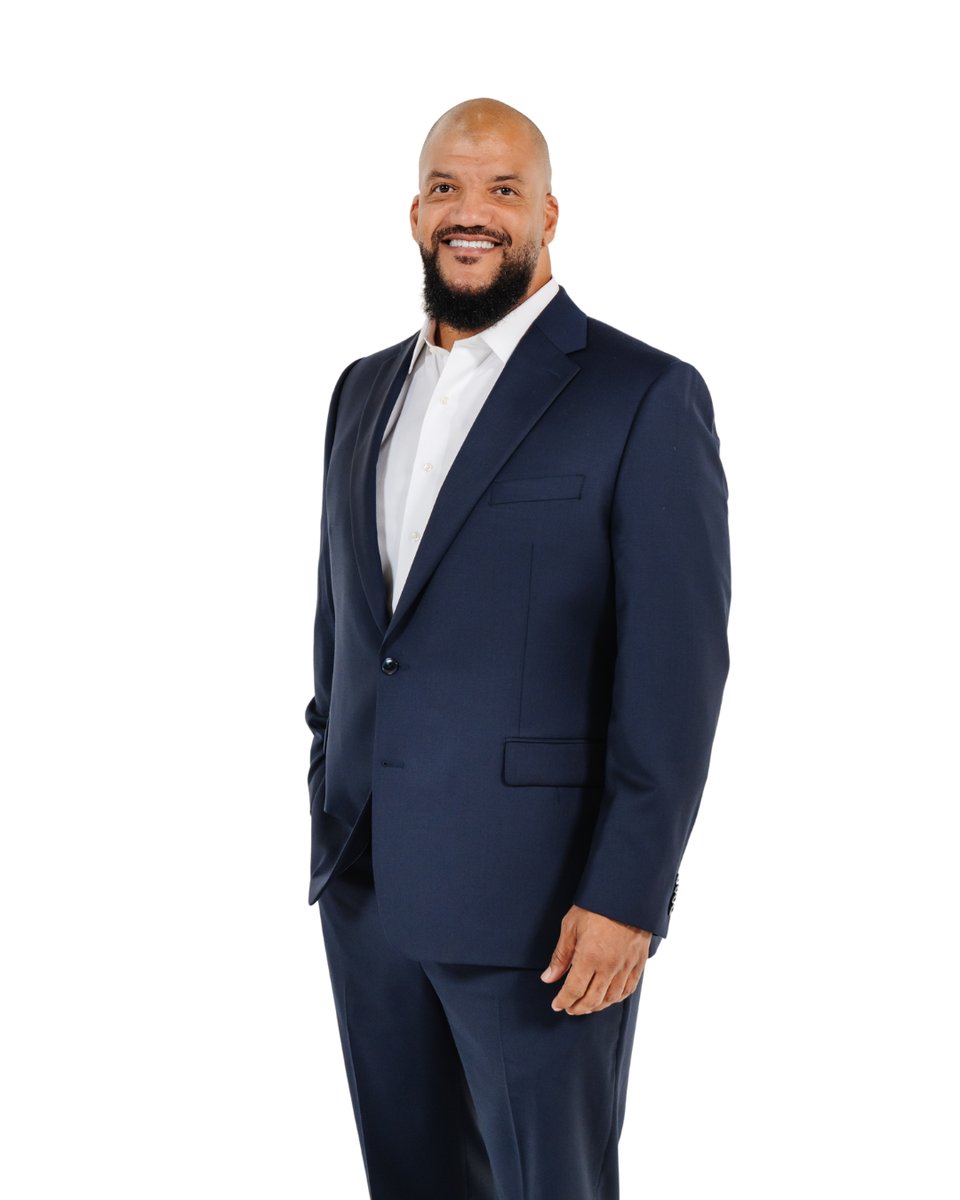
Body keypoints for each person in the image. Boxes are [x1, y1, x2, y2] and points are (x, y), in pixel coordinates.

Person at [304, 97, 730, 1200]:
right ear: (414, 213)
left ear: (547, 215)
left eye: (503, 189)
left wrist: (628, 894)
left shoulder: (642, 395)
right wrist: (329, 798)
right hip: (369, 889)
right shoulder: (361, 390)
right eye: (446, 186)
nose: (472, 211)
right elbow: (345, 636)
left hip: (545, 913)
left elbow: (676, 677)